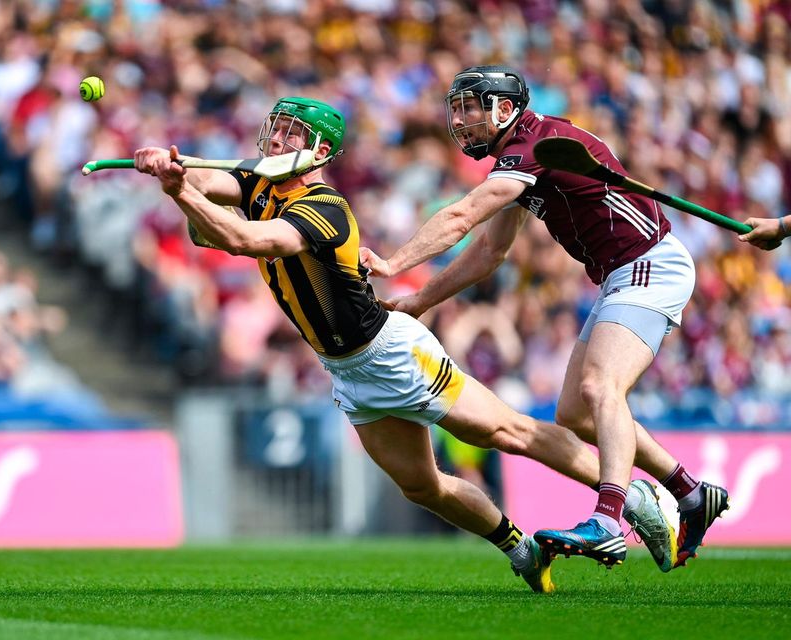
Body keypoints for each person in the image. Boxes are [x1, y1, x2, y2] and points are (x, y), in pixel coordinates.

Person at [134, 96, 671, 592]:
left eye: (289, 136)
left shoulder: (323, 207)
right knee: (422, 486)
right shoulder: (259, 186)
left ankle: (632, 494)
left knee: (509, 432)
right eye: (274, 131)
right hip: (343, 369)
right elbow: (208, 194)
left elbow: (240, 239)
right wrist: (172, 166)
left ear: (319, 151)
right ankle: (521, 549)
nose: (275, 142)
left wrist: (180, 188)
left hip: (390, 352)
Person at [360, 66, 729, 570]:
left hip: (649, 265)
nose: (461, 119)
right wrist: (421, 301)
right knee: (575, 415)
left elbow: (461, 216)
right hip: (620, 275)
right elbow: (489, 250)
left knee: (602, 388)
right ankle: (689, 492)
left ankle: (606, 520)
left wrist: (393, 263)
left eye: (473, 106)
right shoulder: (520, 155)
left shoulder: (535, 146)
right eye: (458, 108)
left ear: (506, 109)